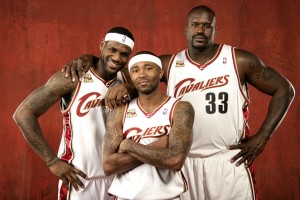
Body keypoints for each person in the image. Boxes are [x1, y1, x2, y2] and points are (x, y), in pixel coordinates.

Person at [64, 5, 295, 200]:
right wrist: (92, 60)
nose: (201, 29)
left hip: (227, 159)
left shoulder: (239, 60)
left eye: (207, 25)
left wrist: (263, 137)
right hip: (183, 161)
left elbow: (285, 89)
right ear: (186, 30)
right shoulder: (171, 63)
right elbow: (140, 71)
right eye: (195, 25)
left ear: (216, 29)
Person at [13, 27, 136, 200]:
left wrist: (129, 87)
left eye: (124, 54)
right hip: (79, 180)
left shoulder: (127, 80)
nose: (117, 58)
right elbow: (23, 114)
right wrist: (52, 161)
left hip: (118, 179)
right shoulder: (73, 78)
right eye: (112, 50)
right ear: (102, 46)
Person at [102, 51, 194, 200]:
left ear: (160, 73)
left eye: (149, 68)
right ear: (131, 77)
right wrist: (160, 144)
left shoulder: (180, 108)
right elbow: (109, 165)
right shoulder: (120, 112)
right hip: (127, 196)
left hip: (167, 197)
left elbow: (176, 160)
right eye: (135, 70)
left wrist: (129, 146)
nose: (142, 74)